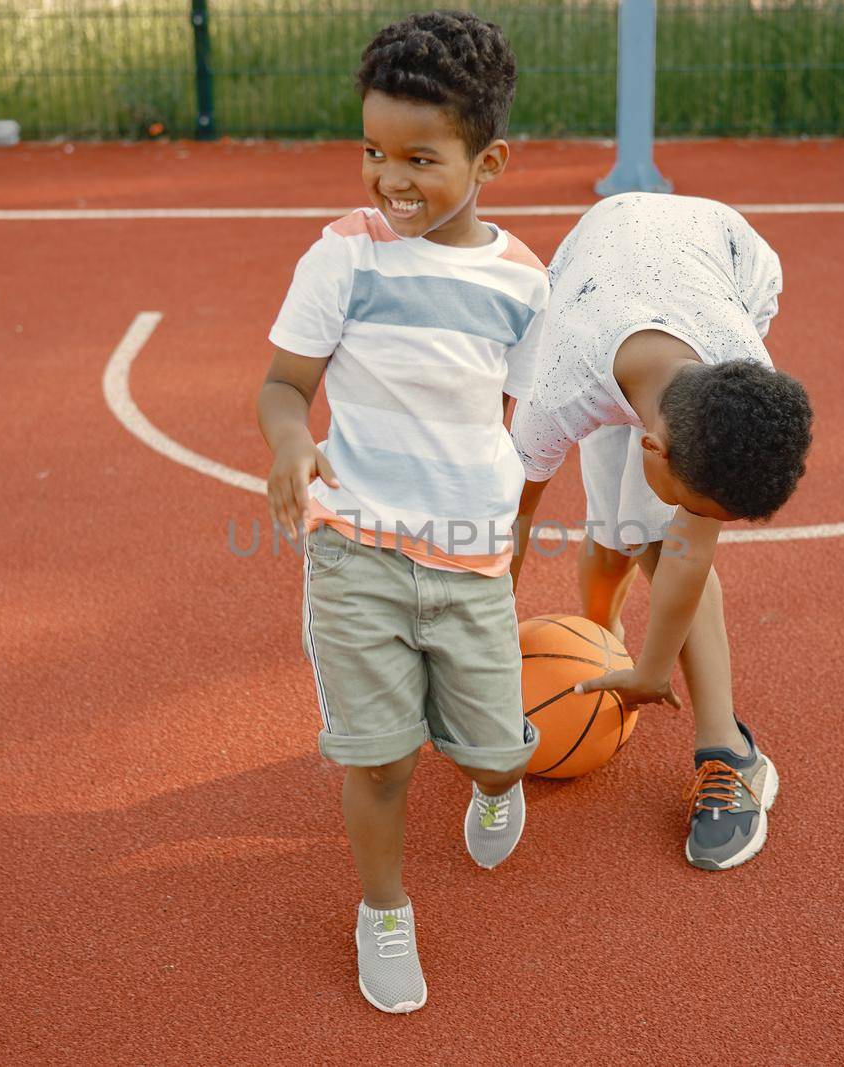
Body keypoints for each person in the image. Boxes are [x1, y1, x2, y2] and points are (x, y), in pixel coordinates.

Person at [256, 11, 547, 1014]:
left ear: (490, 159)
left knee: (492, 746)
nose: (389, 178)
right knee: (377, 759)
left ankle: (498, 781)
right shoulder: (343, 258)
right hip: (355, 553)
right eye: (374, 151)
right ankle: (384, 908)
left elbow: (526, 420)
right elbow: (285, 385)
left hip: (468, 559)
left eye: (420, 157)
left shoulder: (521, 286)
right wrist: (294, 445)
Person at [509, 191, 813, 872]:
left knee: (652, 534)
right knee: (623, 530)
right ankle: (597, 635)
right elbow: (511, 520)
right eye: (701, 509)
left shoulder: (742, 383)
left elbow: (687, 554)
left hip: (723, 263)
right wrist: (483, 649)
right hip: (594, 273)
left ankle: (729, 748)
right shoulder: (558, 388)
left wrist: (651, 669)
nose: (700, 525)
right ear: (655, 448)